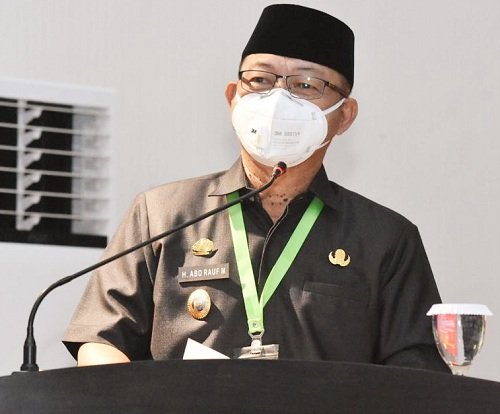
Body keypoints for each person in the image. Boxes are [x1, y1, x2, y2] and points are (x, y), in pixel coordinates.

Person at [64, 4, 449, 372]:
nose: (278, 100)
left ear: (344, 116)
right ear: (233, 98)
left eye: (306, 84)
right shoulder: (162, 215)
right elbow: (100, 341)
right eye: (261, 80)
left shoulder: (385, 238)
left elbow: (416, 373)